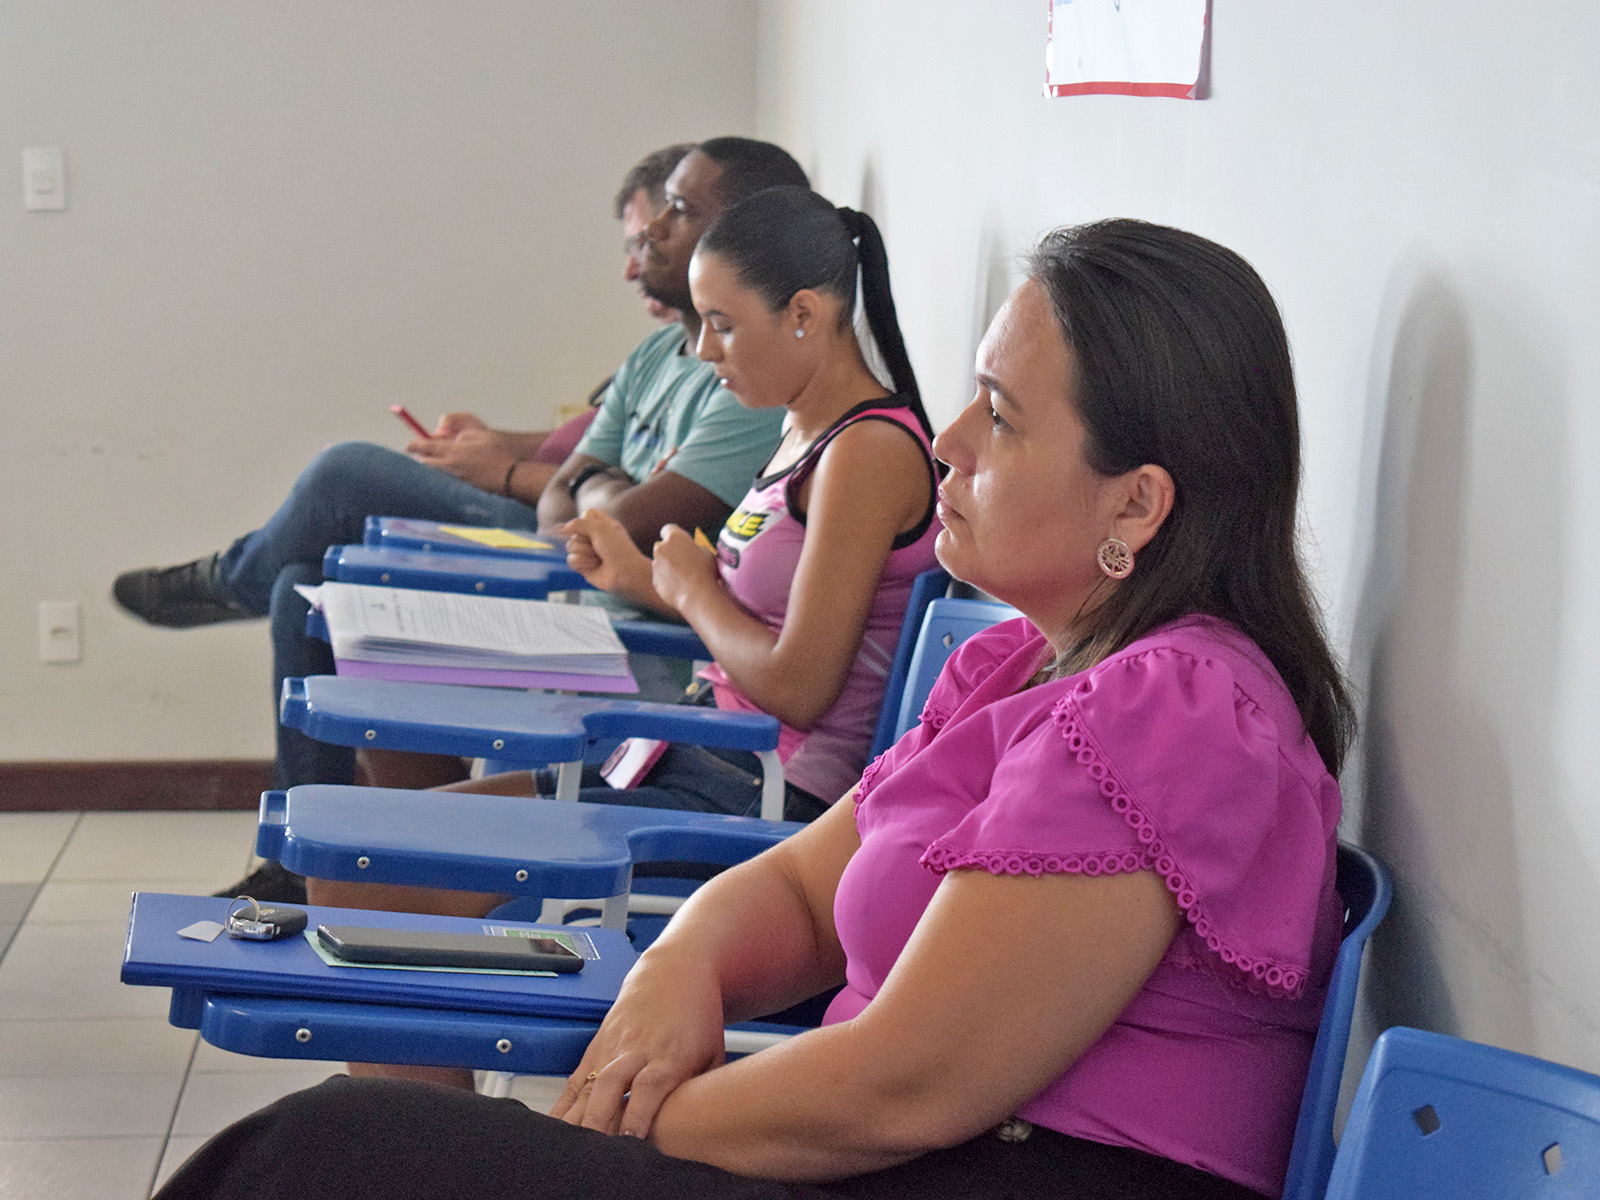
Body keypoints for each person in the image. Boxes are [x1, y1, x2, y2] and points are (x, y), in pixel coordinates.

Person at [153, 219, 1356, 1200]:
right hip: (892, 1156)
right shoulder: (1022, 669)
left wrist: (622, 1122)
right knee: (341, 1148)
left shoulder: (1171, 708)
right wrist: (680, 966)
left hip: (978, 1171)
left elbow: (901, 1089)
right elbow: (800, 888)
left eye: (999, 414)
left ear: (1136, 505)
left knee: (328, 1154)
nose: (948, 440)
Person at [110, 137, 805, 805]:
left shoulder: (747, 388)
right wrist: (595, 486)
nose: (651, 232)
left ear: (742, 236)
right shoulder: (655, 355)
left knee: (345, 473)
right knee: (300, 589)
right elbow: (563, 505)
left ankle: (233, 582)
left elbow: (616, 521)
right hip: (565, 590)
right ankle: (306, 849)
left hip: (604, 628)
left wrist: (583, 485)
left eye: (678, 210)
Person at [355, 185, 941, 818]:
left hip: (765, 786)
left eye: (723, 325)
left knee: (394, 840)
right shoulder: (803, 430)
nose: (704, 349)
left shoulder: (866, 452)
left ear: (802, 313)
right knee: (387, 824)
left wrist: (694, 590)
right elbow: (759, 622)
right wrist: (641, 579)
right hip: (709, 747)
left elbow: (798, 688)